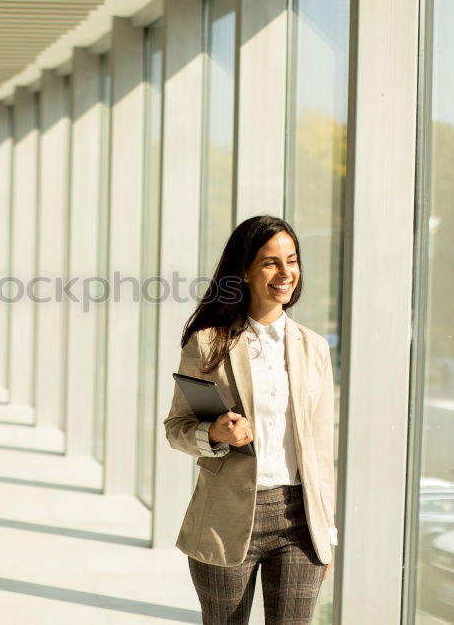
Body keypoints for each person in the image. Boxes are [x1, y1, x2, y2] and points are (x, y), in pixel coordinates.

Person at [164, 215, 337, 625]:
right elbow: (177, 429)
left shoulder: (314, 348)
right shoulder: (208, 343)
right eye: (270, 262)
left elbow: (321, 449)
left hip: (299, 519)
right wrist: (215, 432)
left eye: (291, 260)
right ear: (243, 270)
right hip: (226, 517)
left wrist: (327, 532)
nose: (285, 273)